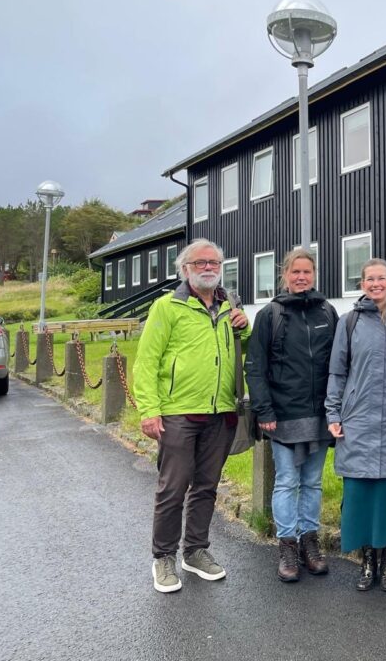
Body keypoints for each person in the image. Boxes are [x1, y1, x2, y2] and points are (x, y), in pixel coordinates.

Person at [134, 238, 250, 594]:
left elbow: (242, 348)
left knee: (206, 486)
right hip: (178, 411)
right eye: (201, 262)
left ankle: (195, 551)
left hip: (221, 411)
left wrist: (244, 328)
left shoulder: (229, 304)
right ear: (185, 269)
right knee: (173, 487)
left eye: (214, 262)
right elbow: (146, 361)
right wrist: (149, 410)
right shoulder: (167, 307)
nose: (209, 268)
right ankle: (163, 557)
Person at [325, 258, 386, 592]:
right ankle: (367, 562)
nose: (376, 284)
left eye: (381, 278)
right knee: (360, 495)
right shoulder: (348, 322)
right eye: (369, 279)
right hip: (357, 420)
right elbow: (337, 371)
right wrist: (333, 414)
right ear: (362, 284)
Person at [245, 247, 338, 582]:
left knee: (312, 482)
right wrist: (264, 410)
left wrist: (337, 410)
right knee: (286, 481)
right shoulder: (270, 314)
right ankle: (287, 545)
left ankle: (309, 542)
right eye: (295, 272)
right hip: (282, 415)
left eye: (307, 272)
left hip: (319, 414)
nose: (301, 277)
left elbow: (339, 364)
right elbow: (255, 366)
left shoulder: (328, 312)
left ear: (314, 275)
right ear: (285, 275)